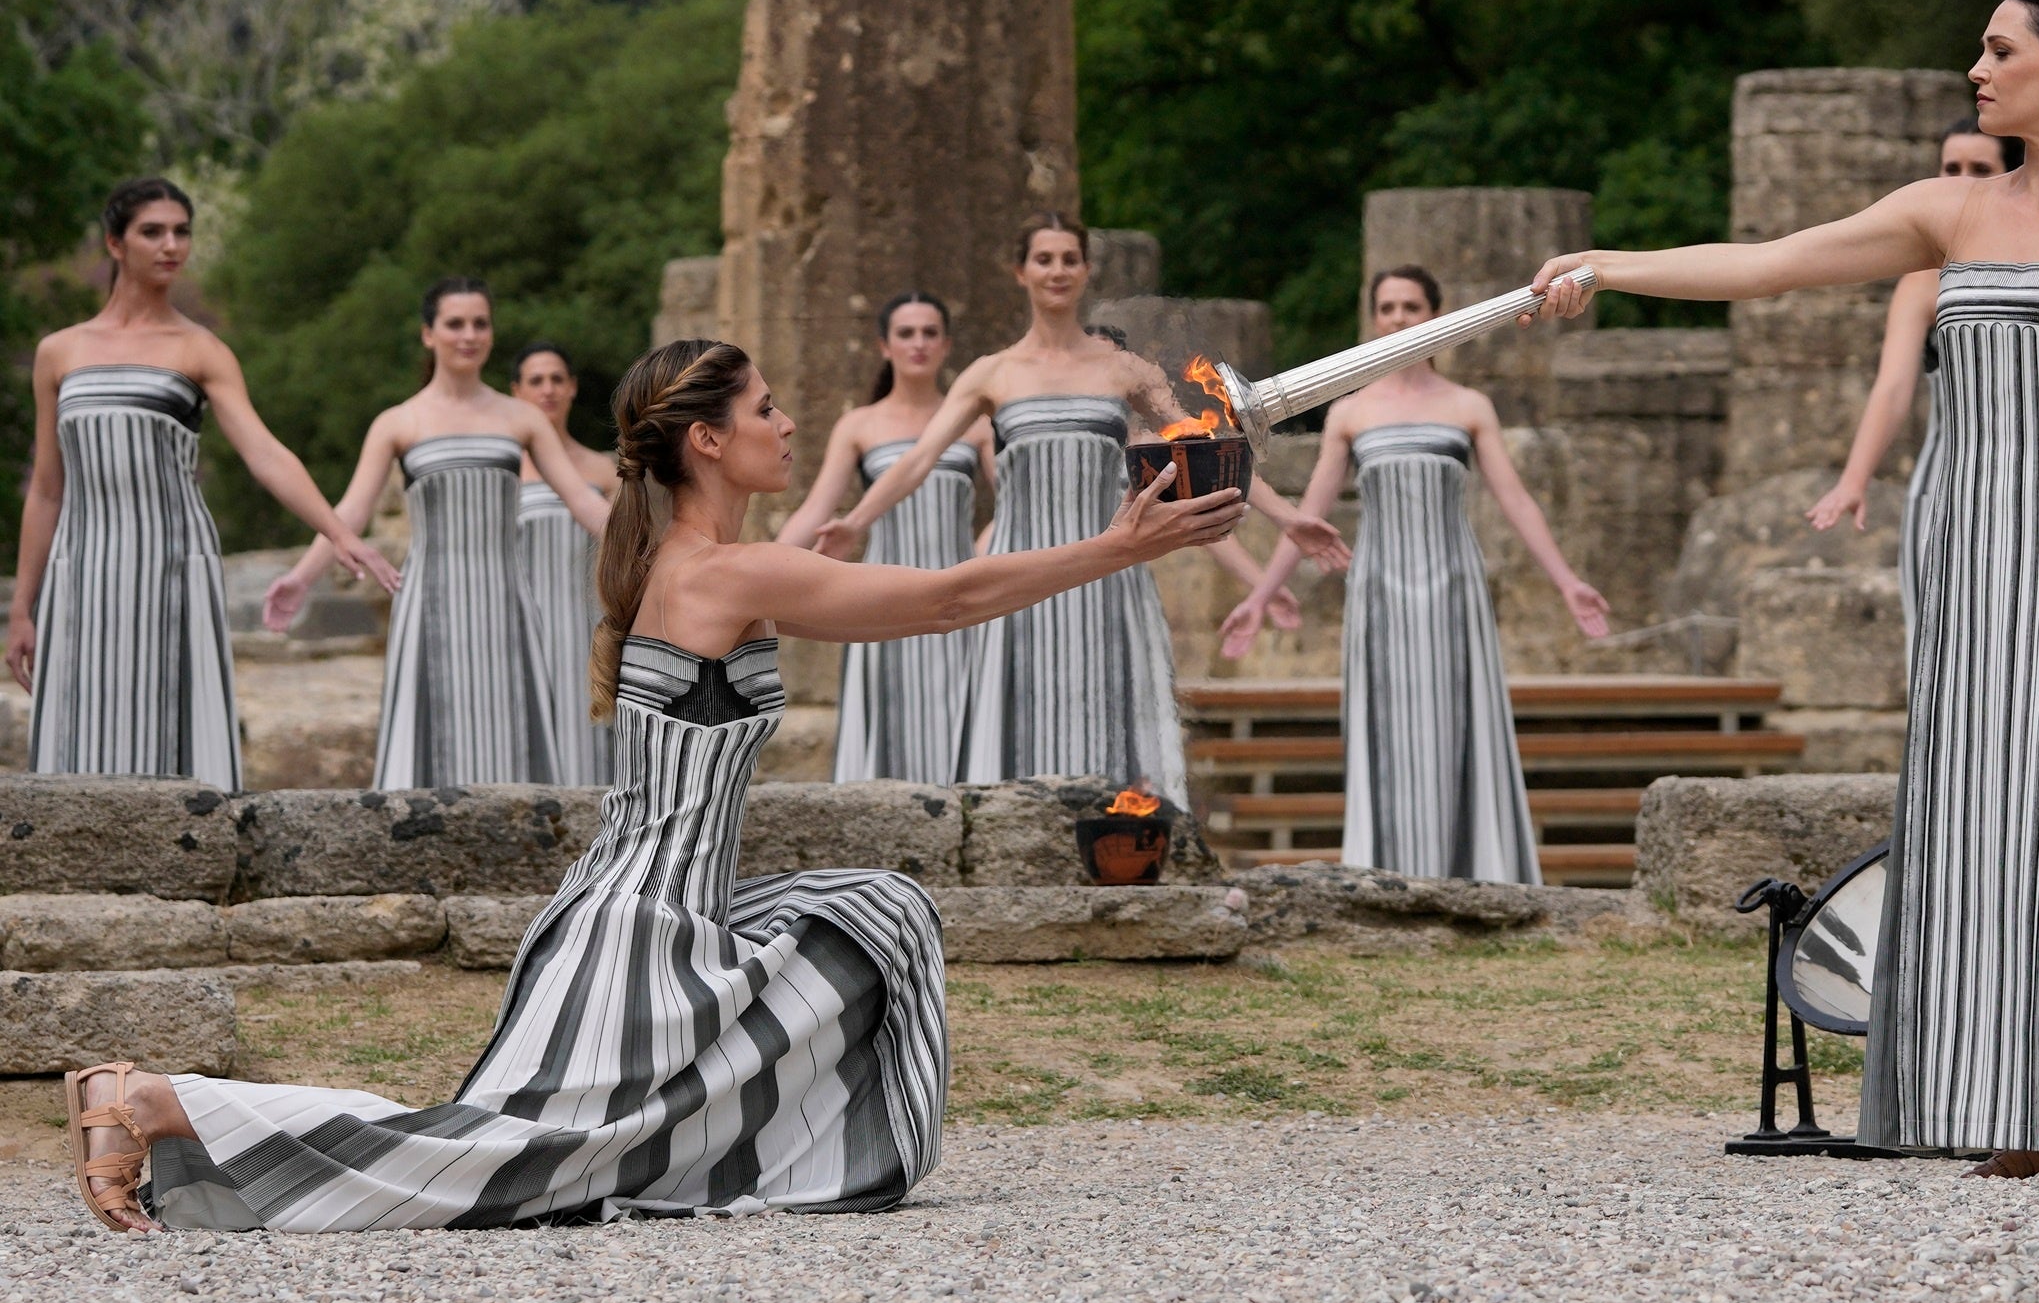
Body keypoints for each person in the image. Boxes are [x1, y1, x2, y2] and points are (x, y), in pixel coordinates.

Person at [65, 337, 1244, 1233]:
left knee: (882, 911)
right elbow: (942, 600)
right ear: (709, 443)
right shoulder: (715, 574)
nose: (789, 424)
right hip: (634, 933)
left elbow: (929, 595)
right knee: (480, 1163)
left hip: (668, 920)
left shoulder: (702, 566)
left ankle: (168, 1108)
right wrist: (1121, 546)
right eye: (768, 411)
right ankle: (158, 1100)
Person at [1531, 0, 2039, 1176]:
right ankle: (2035, 1109)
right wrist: (1608, 264)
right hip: (1975, 568)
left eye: (1998, 48)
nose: (1976, 67)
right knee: (1986, 824)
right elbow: (1770, 265)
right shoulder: (1947, 212)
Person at [815, 213, 1346, 807]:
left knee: (1109, 720)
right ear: (1021, 272)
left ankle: (1125, 846)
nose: (1058, 270)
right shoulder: (992, 373)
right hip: (1020, 578)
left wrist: (1285, 515)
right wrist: (855, 523)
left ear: (1086, 269)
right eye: (1044, 259)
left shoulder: (1123, 369)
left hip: (1109, 574)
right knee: (1021, 724)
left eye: (1070, 258)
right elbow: (916, 462)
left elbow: (1197, 448)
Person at [1219, 265, 1610, 885]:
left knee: (1462, 725)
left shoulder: (1468, 406)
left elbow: (1515, 500)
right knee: (1387, 729)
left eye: (1412, 306)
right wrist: (1263, 593)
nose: (1399, 318)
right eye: (1388, 307)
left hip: (1454, 587)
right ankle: (1386, 876)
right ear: (1373, 317)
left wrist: (1567, 582)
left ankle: (1478, 875)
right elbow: (1310, 515)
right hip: (1379, 593)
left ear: (1435, 314)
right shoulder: (1349, 412)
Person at [6, 177, 398, 792]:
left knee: (169, 720)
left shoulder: (200, 349)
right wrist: (23, 608)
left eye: (181, 231)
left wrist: (338, 532)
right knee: (83, 722)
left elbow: (264, 453)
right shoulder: (60, 352)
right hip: (82, 567)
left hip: (171, 562)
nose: (171, 245)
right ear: (115, 242)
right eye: (152, 232)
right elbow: (48, 489)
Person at [262, 280, 610, 789]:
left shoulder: (522, 418)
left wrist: (662, 552)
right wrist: (300, 577)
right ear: (429, 334)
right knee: (428, 754)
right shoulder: (397, 422)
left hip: (507, 606)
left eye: (480, 323)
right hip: (427, 606)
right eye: (455, 324)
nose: (468, 335)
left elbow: (583, 502)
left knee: (513, 745)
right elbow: (352, 511)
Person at [1805, 120, 2021, 642]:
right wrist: (1854, 480)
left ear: (2012, 173)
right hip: (1948, 490)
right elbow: (1894, 386)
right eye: (1951, 168)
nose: (1961, 180)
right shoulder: (1923, 281)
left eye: (1979, 169)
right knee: (1944, 659)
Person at [777, 293, 997, 783]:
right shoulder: (859, 424)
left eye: (929, 333)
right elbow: (816, 508)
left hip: (959, 598)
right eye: (906, 333)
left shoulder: (978, 425)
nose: (918, 343)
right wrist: (757, 565)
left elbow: (1017, 507)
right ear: (884, 345)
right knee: (888, 725)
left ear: (946, 345)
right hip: (880, 599)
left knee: (960, 725)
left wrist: (983, 550)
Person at [511, 341, 621, 787]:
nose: (548, 389)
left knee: (588, 737)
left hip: (585, 621)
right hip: (523, 620)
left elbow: (623, 550)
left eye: (558, 378)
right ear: (516, 391)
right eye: (536, 380)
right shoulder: (503, 472)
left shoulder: (602, 469)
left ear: (573, 388)